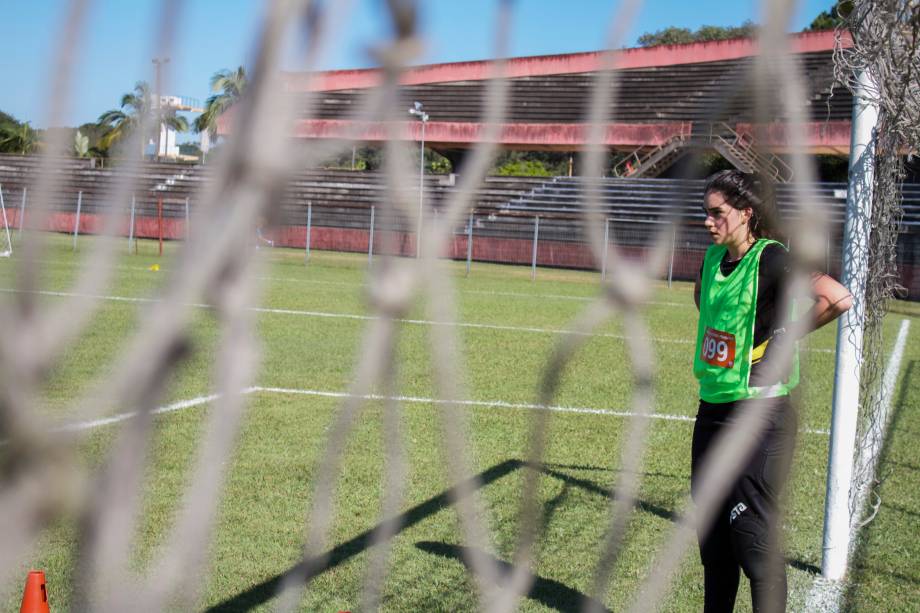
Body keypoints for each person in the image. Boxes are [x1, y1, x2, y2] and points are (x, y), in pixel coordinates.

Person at [691, 170, 852, 612]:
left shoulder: (772, 258)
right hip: (713, 411)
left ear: (746, 213)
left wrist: (785, 334)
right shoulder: (712, 260)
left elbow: (837, 297)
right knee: (713, 542)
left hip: (760, 416)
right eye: (705, 213)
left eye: (717, 213)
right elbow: (705, 305)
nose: (708, 222)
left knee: (753, 542)